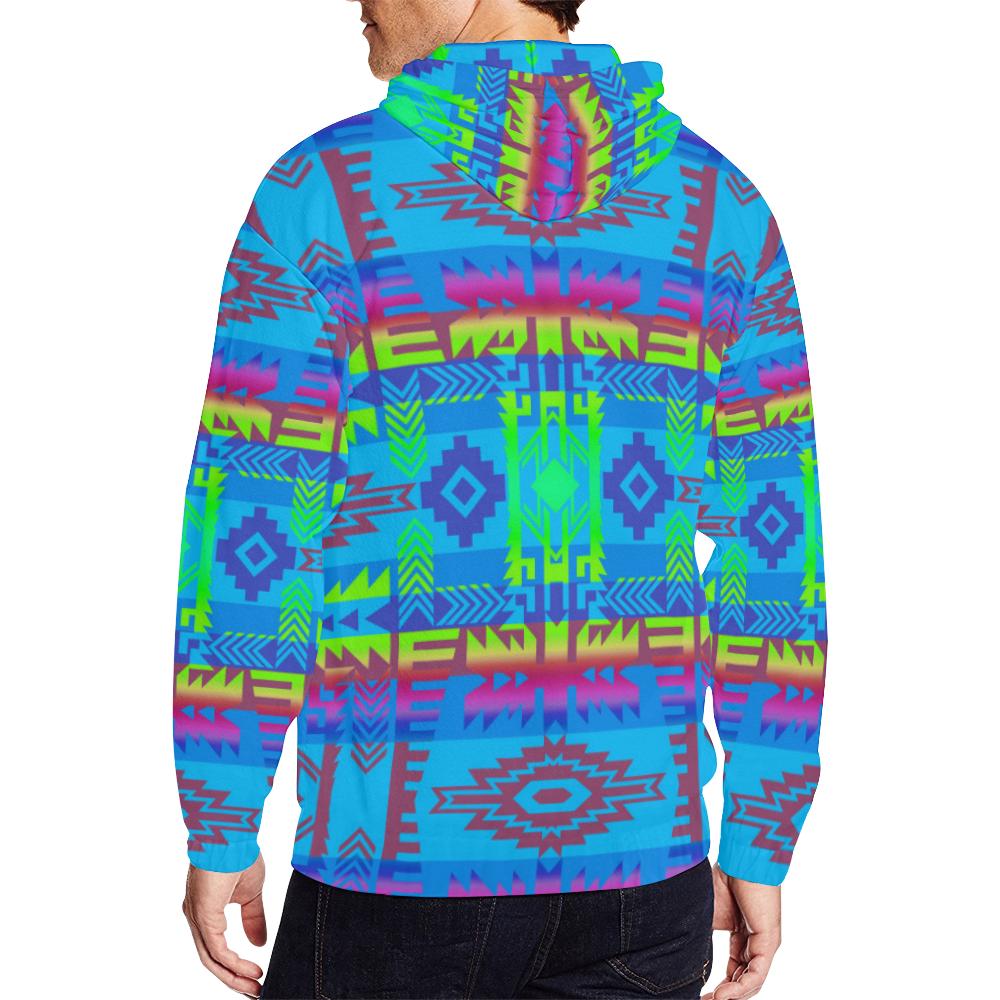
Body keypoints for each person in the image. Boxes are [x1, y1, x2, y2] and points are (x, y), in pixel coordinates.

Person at [173, 1, 829, 997]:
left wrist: (221, 815)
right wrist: (759, 830)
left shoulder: (323, 197)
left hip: (393, 871)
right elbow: (772, 549)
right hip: (643, 868)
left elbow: (255, 532)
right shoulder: (718, 208)